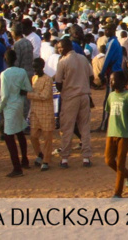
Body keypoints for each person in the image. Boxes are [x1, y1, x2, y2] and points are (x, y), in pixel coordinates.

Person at [55, 38, 93, 168]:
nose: (59, 50)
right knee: (85, 126)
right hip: (84, 95)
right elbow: (91, 76)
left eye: (61, 47)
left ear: (67, 47)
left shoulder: (63, 62)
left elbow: (58, 83)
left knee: (67, 127)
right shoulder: (83, 59)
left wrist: (66, 88)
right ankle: (86, 158)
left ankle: (65, 158)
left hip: (71, 97)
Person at [0, 49, 32, 177]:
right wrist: (20, 92)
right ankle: (24, 160)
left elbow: (4, 95)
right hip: (19, 104)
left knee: (9, 136)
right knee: (20, 132)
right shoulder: (22, 72)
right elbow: (28, 88)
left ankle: (17, 167)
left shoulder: (4, 74)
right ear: (16, 59)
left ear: (6, 60)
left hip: (9, 107)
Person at [105, 70, 128, 198]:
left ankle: (117, 192)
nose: (111, 82)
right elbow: (109, 114)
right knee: (108, 160)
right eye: (110, 80)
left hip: (124, 134)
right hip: (111, 133)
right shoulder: (111, 96)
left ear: (122, 82)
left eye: (113, 80)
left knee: (120, 163)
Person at [27, 57, 54, 171]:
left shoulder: (48, 79)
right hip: (35, 112)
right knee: (33, 137)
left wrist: (27, 94)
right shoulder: (34, 78)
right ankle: (39, 154)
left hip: (46, 112)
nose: (35, 69)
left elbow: (44, 96)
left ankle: (46, 160)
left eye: (37, 67)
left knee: (47, 138)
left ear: (42, 67)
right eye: (33, 67)